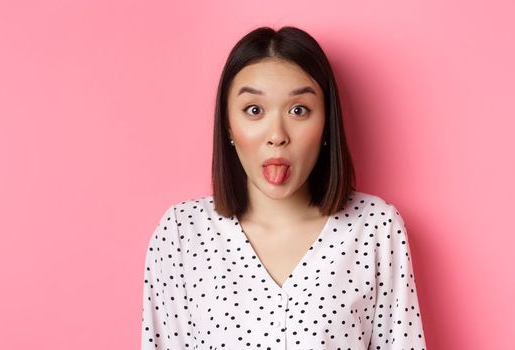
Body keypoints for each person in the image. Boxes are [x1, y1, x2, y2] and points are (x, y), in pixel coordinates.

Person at [141, 26, 427, 349]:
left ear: (325, 124)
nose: (277, 135)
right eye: (254, 110)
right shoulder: (181, 235)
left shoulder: (375, 228)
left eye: (298, 110)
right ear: (228, 124)